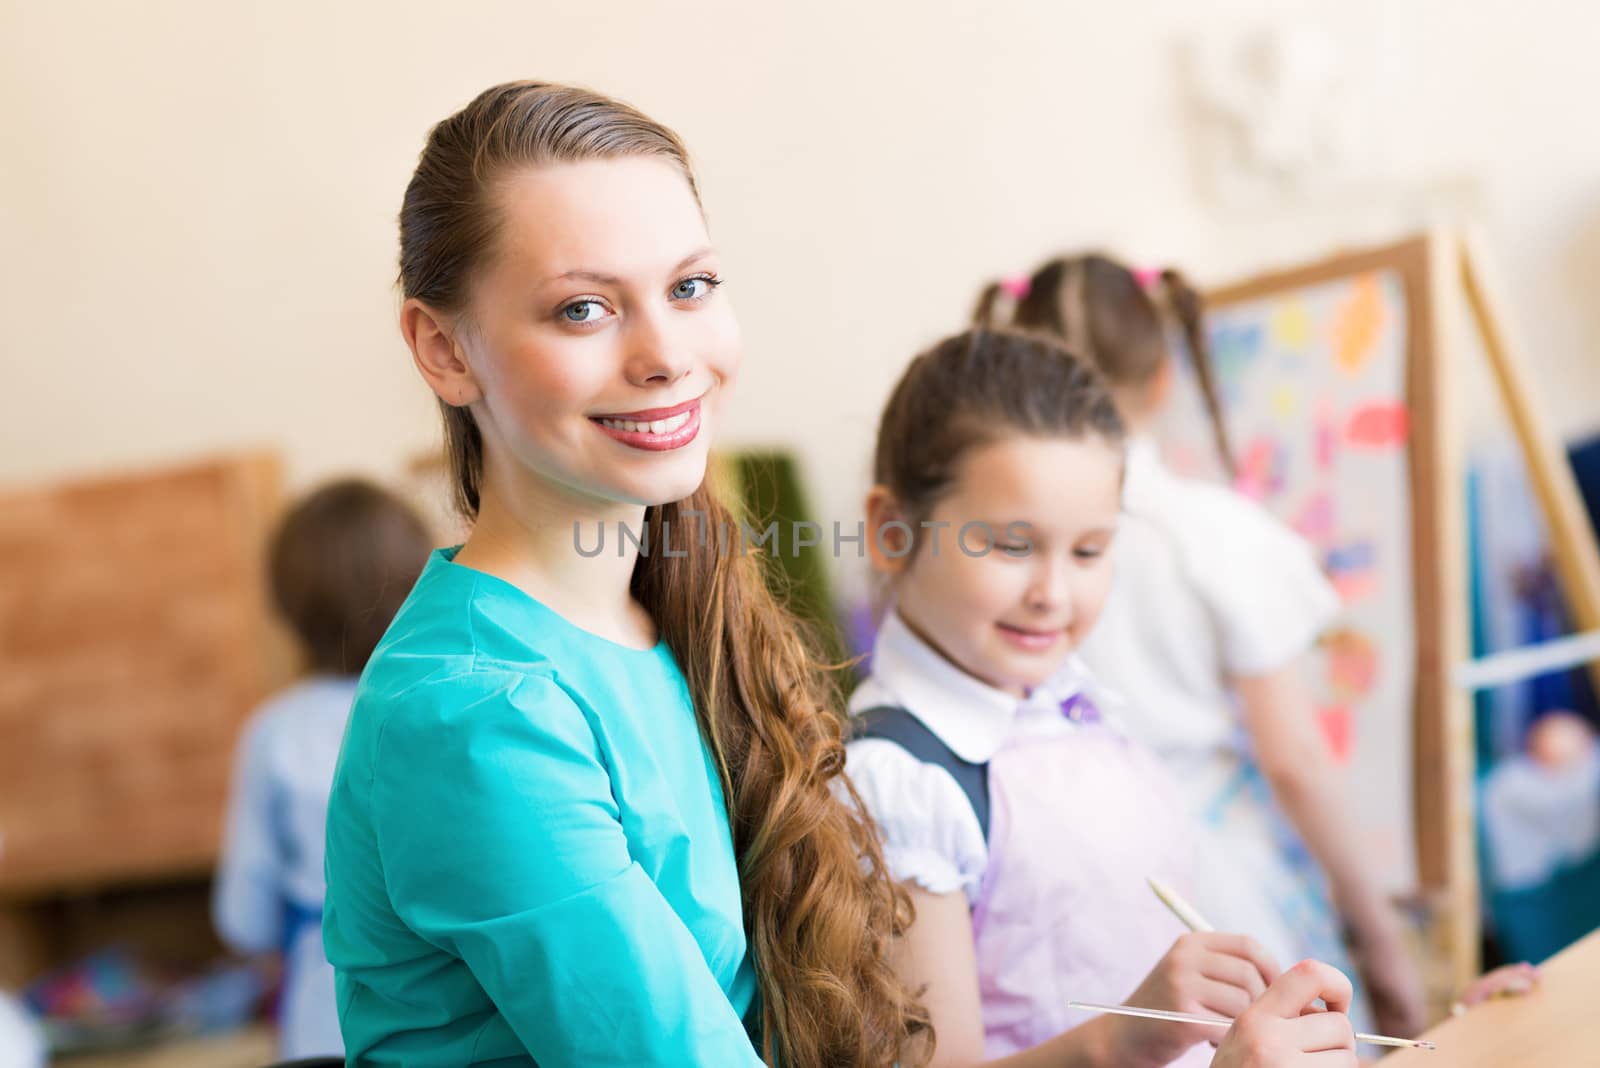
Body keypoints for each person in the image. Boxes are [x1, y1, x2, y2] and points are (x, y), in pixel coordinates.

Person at [320, 81, 929, 1067]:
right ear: (444, 349)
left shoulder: (668, 607)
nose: (665, 355)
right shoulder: (474, 712)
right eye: (584, 308)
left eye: (690, 287)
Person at [846, 326, 1359, 1067]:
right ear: (892, 532)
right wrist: (1121, 1036)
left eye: (1089, 551)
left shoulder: (1073, 705)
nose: (1053, 594)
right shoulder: (899, 786)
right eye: (1012, 546)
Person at [974, 254, 1427, 1037]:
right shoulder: (1213, 534)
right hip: (1220, 889)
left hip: (1051, 892)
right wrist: (1383, 942)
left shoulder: (990, 543)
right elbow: (1296, 760)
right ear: (1161, 380)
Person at [213, 478, 431, 1060]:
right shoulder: (442, 704)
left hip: (323, 1021)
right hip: (448, 1018)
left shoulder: (275, 733)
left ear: (287, 603)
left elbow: (244, 917)